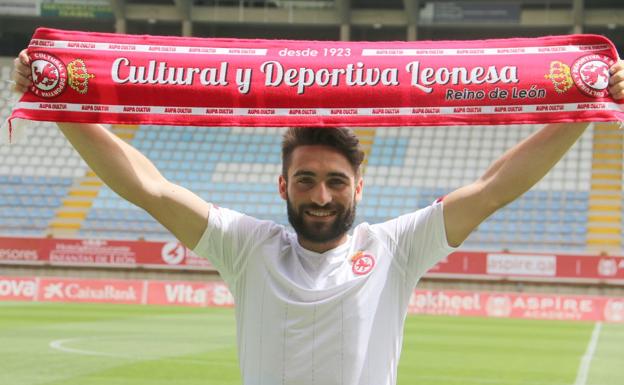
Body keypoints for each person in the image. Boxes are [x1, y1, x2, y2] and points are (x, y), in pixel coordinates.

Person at [12, 49, 624, 385]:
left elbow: (494, 187)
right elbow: (148, 186)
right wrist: (57, 103)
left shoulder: (397, 247)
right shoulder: (246, 246)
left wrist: (588, 108)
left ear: (360, 184)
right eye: (306, 180)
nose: (321, 197)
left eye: (335, 181)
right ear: (282, 184)